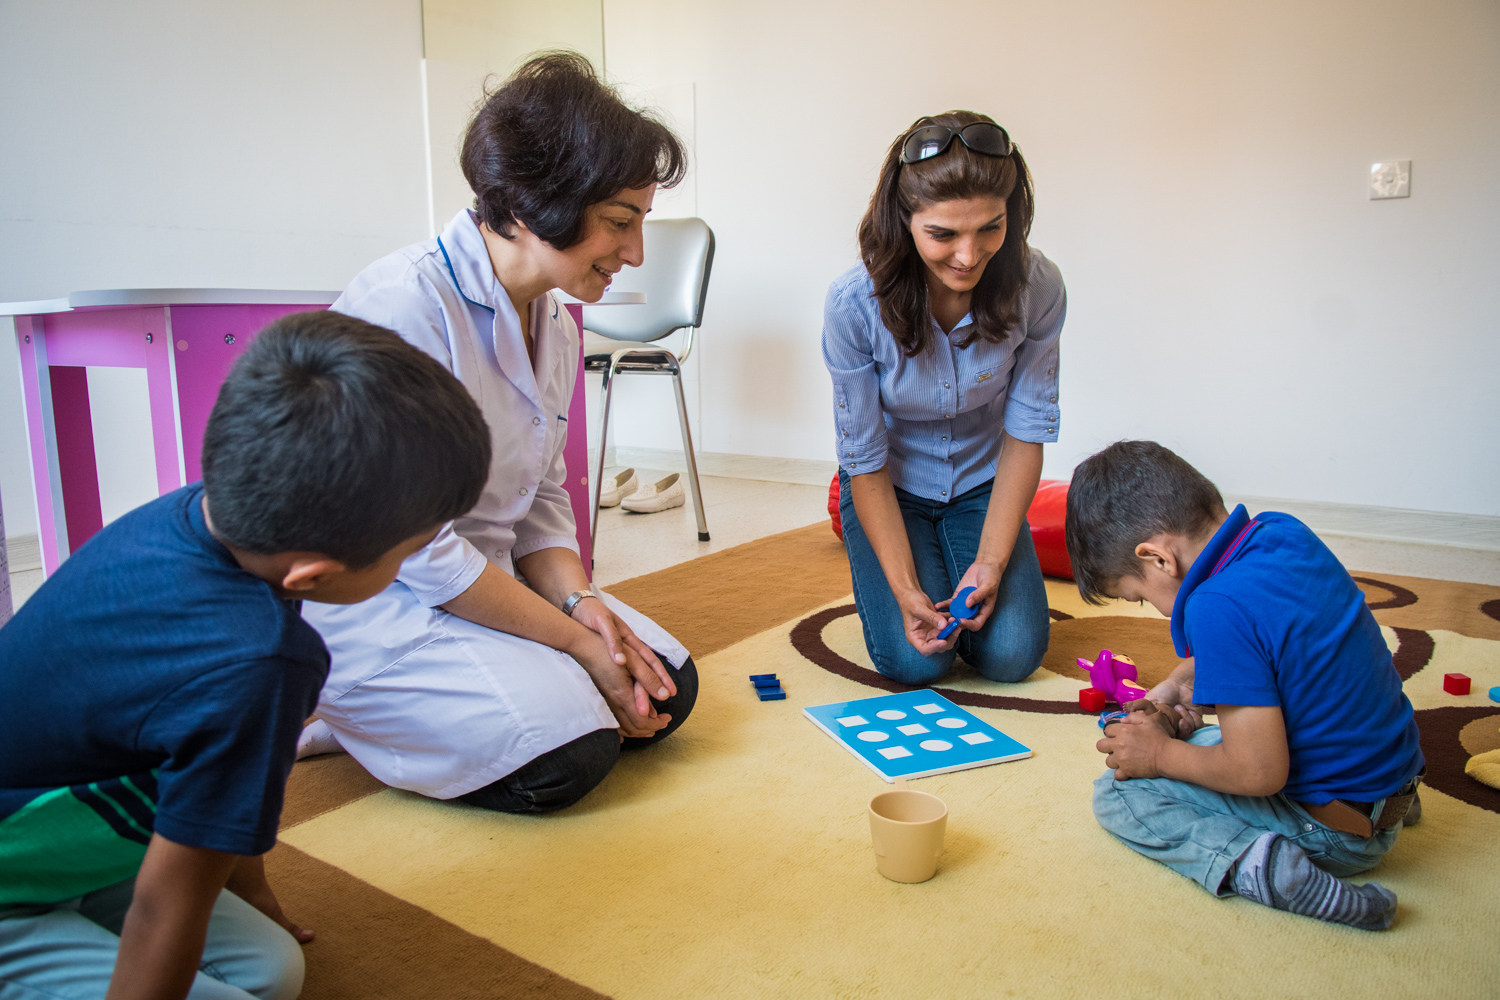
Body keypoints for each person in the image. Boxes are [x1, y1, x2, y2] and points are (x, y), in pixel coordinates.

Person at [0, 312, 492, 998]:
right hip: (12, 877)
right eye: (409, 551)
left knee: (272, 969)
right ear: (313, 574)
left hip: (76, 841)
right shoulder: (262, 664)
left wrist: (254, 893)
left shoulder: (204, 515)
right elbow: (163, 907)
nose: (412, 561)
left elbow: (228, 790)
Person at [295, 51, 699, 814]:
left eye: (641, 222)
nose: (636, 252)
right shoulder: (404, 306)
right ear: (531, 205)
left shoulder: (555, 319)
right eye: (620, 222)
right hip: (381, 606)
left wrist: (582, 606)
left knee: (667, 690)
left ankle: (502, 687)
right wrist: (578, 643)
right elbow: (415, 550)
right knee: (575, 749)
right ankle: (350, 715)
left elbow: (539, 497)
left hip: (485, 587)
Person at [1068, 440, 1424, 931]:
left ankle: (1276, 872)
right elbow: (1284, 650)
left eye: (1139, 597)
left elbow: (1258, 772)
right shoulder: (1281, 534)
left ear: (1158, 560)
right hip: (1386, 780)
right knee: (1200, 742)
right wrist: (1176, 685)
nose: (1152, 609)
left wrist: (1158, 758)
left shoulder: (1215, 607)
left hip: (1337, 832)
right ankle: (1386, 803)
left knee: (1121, 793)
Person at [822, 111, 1064, 686]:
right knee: (916, 660)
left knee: (1012, 656)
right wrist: (906, 590)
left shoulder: (1039, 286)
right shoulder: (853, 305)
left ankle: (966, 574)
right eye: (943, 234)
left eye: (990, 228)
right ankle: (909, 581)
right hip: (890, 487)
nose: (968, 254)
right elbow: (864, 458)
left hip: (983, 484)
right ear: (905, 221)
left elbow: (1027, 431)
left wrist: (993, 563)